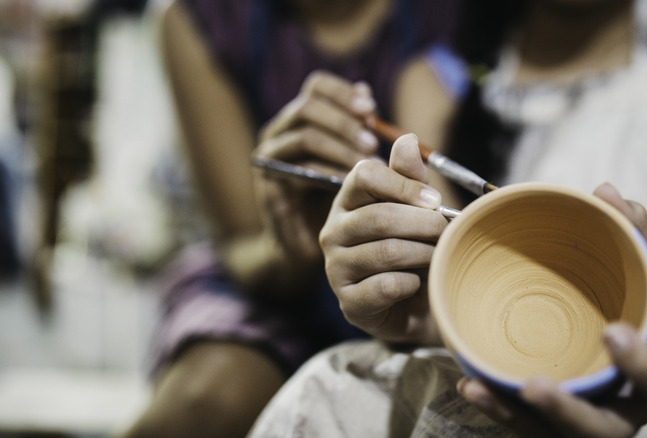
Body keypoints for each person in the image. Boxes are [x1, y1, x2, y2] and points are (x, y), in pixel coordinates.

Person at [246, 0, 647, 436]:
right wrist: (410, 309)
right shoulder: (432, 83)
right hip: (482, 358)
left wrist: (621, 363)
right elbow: (449, 286)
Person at [119, 1, 464, 437]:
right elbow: (240, 244)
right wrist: (290, 247)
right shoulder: (201, 18)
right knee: (206, 400)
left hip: (433, 288)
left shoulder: (458, 19)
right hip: (267, 287)